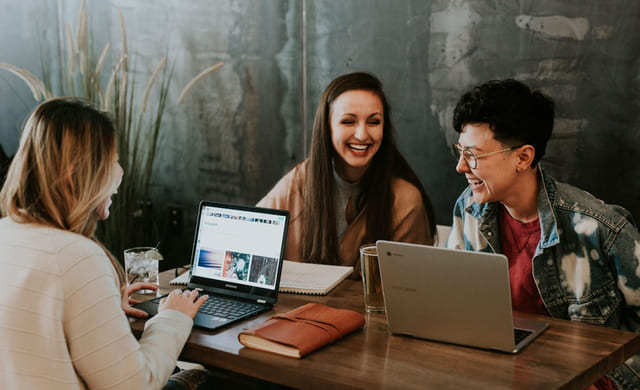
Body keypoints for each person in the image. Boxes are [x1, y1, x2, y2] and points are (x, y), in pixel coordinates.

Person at [0, 98, 208, 389]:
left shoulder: (5, 233)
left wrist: (101, 304)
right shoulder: (78, 257)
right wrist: (173, 318)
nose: (119, 172)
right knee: (200, 375)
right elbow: (135, 385)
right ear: (77, 173)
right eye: (111, 161)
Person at [446, 79, 640, 390]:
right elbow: (453, 302)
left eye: (473, 155)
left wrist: (608, 382)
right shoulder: (468, 209)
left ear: (522, 158)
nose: (460, 167)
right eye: (460, 151)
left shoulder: (599, 227)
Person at [258, 72, 435, 272]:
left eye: (374, 122)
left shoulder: (406, 200)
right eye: (348, 122)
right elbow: (249, 240)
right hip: (297, 304)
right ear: (327, 127)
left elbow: (410, 287)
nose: (362, 134)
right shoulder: (299, 181)